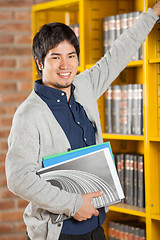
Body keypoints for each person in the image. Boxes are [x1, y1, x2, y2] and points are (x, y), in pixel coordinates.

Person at [5, 2, 160, 240]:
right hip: (58, 234)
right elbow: (18, 179)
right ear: (39, 63)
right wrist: (73, 204)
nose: (65, 65)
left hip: (95, 228)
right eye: (55, 57)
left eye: (71, 56)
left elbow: (117, 54)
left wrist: (153, 14)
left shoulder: (83, 86)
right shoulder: (29, 114)